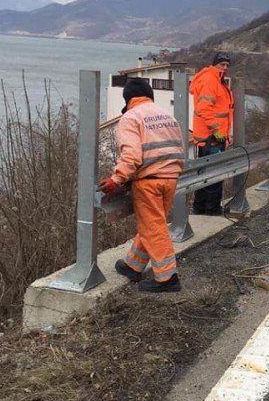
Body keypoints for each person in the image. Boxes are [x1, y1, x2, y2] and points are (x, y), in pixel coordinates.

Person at [99, 78, 185, 292]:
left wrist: (116, 179)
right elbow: (179, 147)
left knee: (153, 228)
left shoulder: (130, 117)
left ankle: (167, 278)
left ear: (128, 100)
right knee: (151, 225)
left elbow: (132, 155)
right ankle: (133, 266)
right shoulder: (166, 115)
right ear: (149, 95)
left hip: (149, 181)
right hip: (171, 178)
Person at [189, 51, 234, 215]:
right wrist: (217, 131)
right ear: (215, 64)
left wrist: (224, 134)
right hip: (212, 138)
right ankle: (212, 209)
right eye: (222, 64)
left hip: (211, 137)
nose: (225, 67)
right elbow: (204, 109)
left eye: (227, 65)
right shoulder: (210, 80)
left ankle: (200, 208)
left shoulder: (216, 80)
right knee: (214, 175)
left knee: (204, 173)